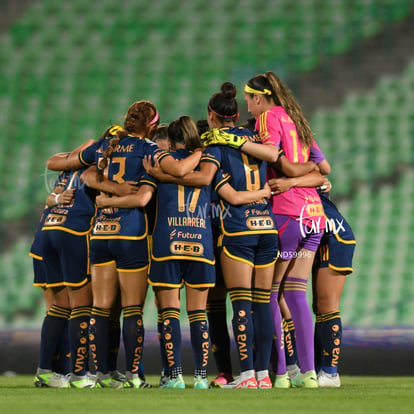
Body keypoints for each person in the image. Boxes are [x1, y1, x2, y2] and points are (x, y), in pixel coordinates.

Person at [203, 73, 325, 388]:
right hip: (313, 215)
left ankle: (279, 373)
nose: (250, 108)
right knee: (295, 291)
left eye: (250, 102)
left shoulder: (265, 119)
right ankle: (307, 373)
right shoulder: (298, 120)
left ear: (258, 98)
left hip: (281, 213)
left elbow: (272, 155)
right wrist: (299, 176)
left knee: (262, 297)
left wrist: (230, 139)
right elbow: (323, 171)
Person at [78, 102, 202, 388]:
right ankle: (133, 376)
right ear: (151, 125)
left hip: (100, 233)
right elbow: (180, 171)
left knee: (101, 308)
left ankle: (101, 375)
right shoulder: (148, 150)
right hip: (130, 234)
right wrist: (199, 152)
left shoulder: (104, 146)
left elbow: (81, 170)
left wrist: (108, 192)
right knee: (133, 309)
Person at [164, 83, 279, 389]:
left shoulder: (215, 148)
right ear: (238, 114)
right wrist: (266, 192)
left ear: (211, 117)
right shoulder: (257, 139)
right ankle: (264, 375)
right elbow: (276, 155)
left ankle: (244, 376)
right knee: (263, 304)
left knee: (240, 305)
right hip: (266, 227)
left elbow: (209, 181)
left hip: (237, 229)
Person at [35, 151, 97, 388]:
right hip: (70, 237)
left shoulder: (66, 173)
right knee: (79, 306)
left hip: (45, 238)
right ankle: (77, 374)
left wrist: (57, 200)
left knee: (59, 309)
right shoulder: (93, 172)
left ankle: (47, 371)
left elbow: (50, 198)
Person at [32, 185, 74, 388]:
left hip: (47, 245)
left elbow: (50, 199)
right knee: (61, 308)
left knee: (64, 309)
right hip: (51, 249)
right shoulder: (85, 181)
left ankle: (59, 371)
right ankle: (48, 370)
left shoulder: (67, 181)